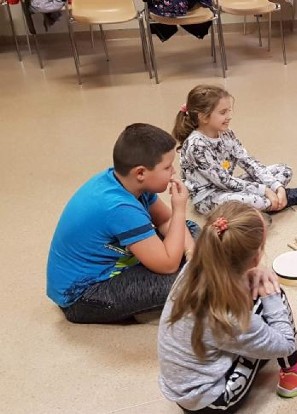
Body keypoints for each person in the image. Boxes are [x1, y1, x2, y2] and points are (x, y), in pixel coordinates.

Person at [158, 202, 297, 413]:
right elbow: (286, 344)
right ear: (256, 258)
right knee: (270, 295)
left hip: (184, 387)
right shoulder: (231, 315)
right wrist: (273, 296)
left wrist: (246, 276)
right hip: (211, 401)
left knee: (257, 301)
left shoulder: (194, 267)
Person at [46, 123, 197, 324]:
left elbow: (165, 219)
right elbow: (168, 265)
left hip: (116, 264)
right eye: (167, 167)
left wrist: (193, 253)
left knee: (192, 230)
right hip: (83, 298)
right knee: (181, 279)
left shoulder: (127, 181)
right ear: (141, 173)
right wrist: (179, 209)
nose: (173, 172)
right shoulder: (119, 208)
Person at [174, 84, 297, 216]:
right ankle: (275, 202)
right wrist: (265, 190)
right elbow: (223, 181)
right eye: (223, 112)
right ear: (203, 117)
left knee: (284, 170)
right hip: (208, 197)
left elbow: (247, 161)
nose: (229, 117)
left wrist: (276, 186)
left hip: (231, 185)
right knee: (248, 200)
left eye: (229, 111)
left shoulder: (226, 133)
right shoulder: (196, 146)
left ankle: (277, 198)